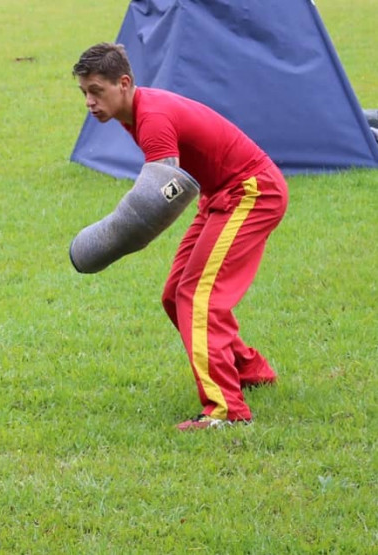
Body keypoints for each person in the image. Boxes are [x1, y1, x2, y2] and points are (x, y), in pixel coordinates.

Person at [72, 43, 288, 431]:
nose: (89, 101)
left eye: (96, 91)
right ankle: (249, 370)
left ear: (123, 83)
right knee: (176, 295)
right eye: (84, 92)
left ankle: (226, 412)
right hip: (219, 195)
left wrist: (113, 239)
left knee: (198, 295)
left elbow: (159, 197)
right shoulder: (132, 113)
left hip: (251, 192)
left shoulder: (151, 119)